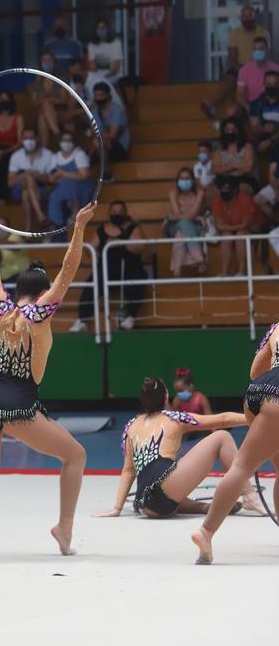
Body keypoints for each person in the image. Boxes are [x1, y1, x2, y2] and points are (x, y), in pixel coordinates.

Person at [0, 199, 96, 564]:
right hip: (19, 403)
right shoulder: (40, 312)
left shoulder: (1, 308)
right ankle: (64, 528)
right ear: (42, 292)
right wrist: (79, 226)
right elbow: (70, 268)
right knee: (76, 456)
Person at [94, 376, 262, 520]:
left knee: (170, 477)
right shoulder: (173, 418)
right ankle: (249, 495)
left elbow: (128, 470)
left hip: (147, 506)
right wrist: (259, 419)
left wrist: (117, 508)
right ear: (166, 397)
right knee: (222, 437)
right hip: (164, 491)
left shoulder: (131, 425)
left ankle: (205, 507)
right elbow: (223, 420)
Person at [191, 318, 279, 563]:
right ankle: (206, 531)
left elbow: (254, 372)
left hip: (259, 390)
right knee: (242, 467)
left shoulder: (277, 327)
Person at [70, 200, 146, 333]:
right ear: (109, 214)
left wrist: (120, 242)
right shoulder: (101, 230)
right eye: (114, 212)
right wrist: (94, 251)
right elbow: (90, 249)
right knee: (91, 284)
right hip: (107, 268)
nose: (117, 215)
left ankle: (130, 317)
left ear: (125, 213)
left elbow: (139, 247)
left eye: (120, 212)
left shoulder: (133, 228)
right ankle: (82, 320)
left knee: (138, 280)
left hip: (129, 267)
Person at [212, 177, 265, 276]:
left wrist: (228, 228)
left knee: (240, 235)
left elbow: (246, 225)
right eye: (222, 189)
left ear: (235, 189)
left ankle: (241, 271)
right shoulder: (217, 202)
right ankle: (224, 272)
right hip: (234, 231)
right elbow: (220, 226)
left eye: (227, 189)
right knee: (226, 236)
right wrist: (233, 228)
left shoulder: (244, 199)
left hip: (252, 231)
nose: (224, 191)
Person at [8, 128, 56, 230]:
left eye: (31, 138)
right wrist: (27, 173)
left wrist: (38, 176)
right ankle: (41, 216)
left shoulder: (48, 154)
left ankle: (28, 231)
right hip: (19, 189)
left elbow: (53, 180)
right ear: (21, 140)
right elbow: (10, 182)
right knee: (29, 178)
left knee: (26, 195)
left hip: (42, 189)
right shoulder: (16, 156)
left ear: (37, 138)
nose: (29, 141)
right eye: (26, 138)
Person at [47, 132, 93, 230]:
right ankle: (56, 222)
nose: (66, 143)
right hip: (60, 187)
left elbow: (83, 175)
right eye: (64, 140)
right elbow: (51, 177)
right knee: (55, 193)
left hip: (81, 187)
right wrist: (56, 177)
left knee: (68, 184)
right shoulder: (55, 157)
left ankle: (74, 215)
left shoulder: (79, 154)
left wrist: (64, 174)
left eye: (69, 140)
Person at [165, 167, 206, 277]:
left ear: (193, 180)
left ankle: (177, 268)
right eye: (181, 178)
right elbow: (177, 215)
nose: (184, 181)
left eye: (187, 178)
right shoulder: (173, 193)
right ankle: (199, 258)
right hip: (175, 225)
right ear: (178, 181)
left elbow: (193, 213)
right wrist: (196, 218)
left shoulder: (199, 193)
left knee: (181, 234)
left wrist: (194, 218)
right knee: (183, 223)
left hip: (194, 227)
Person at [30, 50, 68, 146]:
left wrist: (49, 101)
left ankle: (45, 148)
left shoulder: (61, 79)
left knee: (43, 116)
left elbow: (64, 100)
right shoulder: (37, 81)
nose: (46, 63)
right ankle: (57, 133)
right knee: (43, 111)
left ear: (54, 62)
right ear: (41, 63)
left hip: (58, 113)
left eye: (49, 60)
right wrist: (44, 101)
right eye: (44, 60)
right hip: (38, 112)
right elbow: (33, 103)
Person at [212, 117, 257, 195]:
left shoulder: (247, 146)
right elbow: (215, 169)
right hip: (223, 179)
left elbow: (247, 168)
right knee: (211, 191)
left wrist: (225, 168)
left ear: (238, 131)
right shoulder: (220, 149)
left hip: (244, 179)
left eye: (233, 130)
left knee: (240, 188)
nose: (230, 132)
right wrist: (234, 166)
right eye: (228, 130)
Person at [90, 81, 130, 163]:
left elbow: (112, 135)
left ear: (108, 95)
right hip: (100, 145)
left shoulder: (117, 109)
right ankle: (105, 172)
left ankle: (105, 171)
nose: (98, 98)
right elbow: (94, 132)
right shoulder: (94, 111)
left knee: (99, 143)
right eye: (96, 95)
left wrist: (100, 137)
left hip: (119, 146)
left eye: (101, 95)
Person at [236, 37, 279, 108]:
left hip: (273, 105)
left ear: (267, 51)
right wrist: (248, 108)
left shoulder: (276, 68)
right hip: (253, 104)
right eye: (255, 49)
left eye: (261, 49)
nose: (258, 52)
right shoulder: (244, 70)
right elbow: (239, 94)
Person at [87, 17, 124, 85]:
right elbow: (92, 66)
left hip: (114, 75)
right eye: (98, 28)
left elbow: (115, 69)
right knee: (89, 80)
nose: (101, 30)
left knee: (102, 82)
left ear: (108, 29)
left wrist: (102, 78)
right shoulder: (91, 45)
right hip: (98, 74)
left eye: (103, 28)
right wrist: (98, 77)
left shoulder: (116, 43)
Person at [193, 140, 217, 210]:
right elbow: (197, 181)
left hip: (212, 188)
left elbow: (214, 180)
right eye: (200, 152)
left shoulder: (214, 164)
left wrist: (207, 188)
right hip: (201, 189)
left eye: (204, 152)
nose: (201, 154)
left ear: (210, 153)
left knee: (210, 193)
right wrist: (202, 189)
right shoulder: (196, 166)